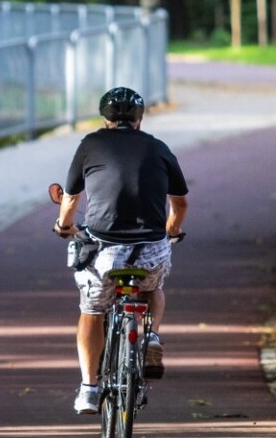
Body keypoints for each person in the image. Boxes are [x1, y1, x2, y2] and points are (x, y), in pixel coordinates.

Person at [53, 86, 188, 415]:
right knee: (153, 286)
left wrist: (63, 225)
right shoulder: (158, 147)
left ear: (105, 119)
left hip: (105, 252)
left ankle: (89, 389)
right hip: (151, 251)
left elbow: (70, 198)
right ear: (140, 119)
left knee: (92, 309)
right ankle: (151, 336)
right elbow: (180, 203)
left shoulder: (91, 144)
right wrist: (171, 230)